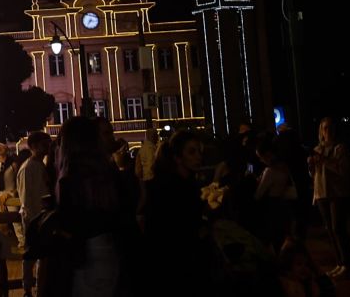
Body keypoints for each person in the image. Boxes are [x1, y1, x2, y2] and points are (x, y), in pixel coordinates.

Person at [43, 114, 132, 297]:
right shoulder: (108, 172)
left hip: (83, 252)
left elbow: (69, 222)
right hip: (109, 247)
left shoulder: (69, 177)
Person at [139, 128, 209, 288]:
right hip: (173, 265)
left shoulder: (188, 183)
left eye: (199, 151)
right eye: (192, 152)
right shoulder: (170, 189)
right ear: (177, 157)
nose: (198, 156)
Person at [306, 118, 350, 279]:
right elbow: (314, 174)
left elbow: (342, 171)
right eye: (325, 128)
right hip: (321, 193)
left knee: (338, 228)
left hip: (336, 193)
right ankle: (339, 263)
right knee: (330, 230)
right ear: (321, 131)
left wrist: (324, 160)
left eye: (330, 128)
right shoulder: (317, 149)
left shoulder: (339, 148)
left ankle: (346, 263)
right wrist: (311, 166)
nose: (328, 131)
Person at [15, 133, 52, 297]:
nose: (48, 147)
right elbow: (25, 199)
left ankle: (40, 287)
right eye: (45, 144)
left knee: (41, 256)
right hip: (33, 219)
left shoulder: (40, 165)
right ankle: (27, 289)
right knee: (30, 256)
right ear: (34, 146)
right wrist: (33, 220)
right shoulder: (28, 168)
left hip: (42, 218)